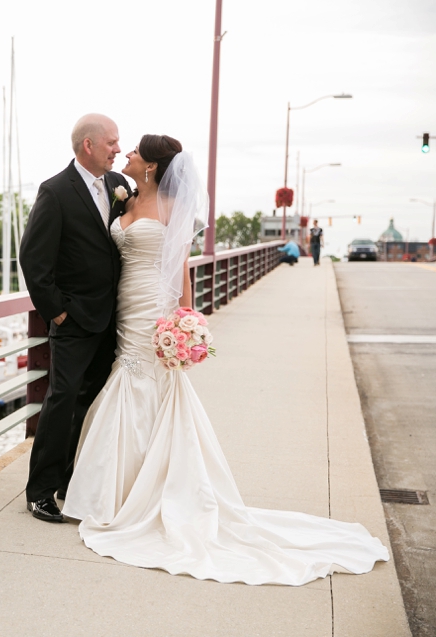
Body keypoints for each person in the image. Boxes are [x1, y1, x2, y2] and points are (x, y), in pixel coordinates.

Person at [60, 135, 389, 585]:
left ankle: (132, 494)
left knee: (142, 379)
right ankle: (120, 488)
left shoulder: (174, 210)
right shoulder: (125, 196)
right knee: (129, 376)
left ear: (153, 166)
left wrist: (186, 322)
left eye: (135, 152)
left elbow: (182, 267)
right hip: (124, 304)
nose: (128, 156)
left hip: (153, 308)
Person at [18, 113, 132, 523]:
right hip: (73, 319)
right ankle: (40, 492)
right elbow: (33, 259)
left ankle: (69, 480)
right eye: (112, 143)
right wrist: (58, 312)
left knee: (88, 402)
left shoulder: (121, 187)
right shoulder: (55, 191)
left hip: (113, 319)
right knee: (62, 400)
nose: (118, 149)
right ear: (89, 145)